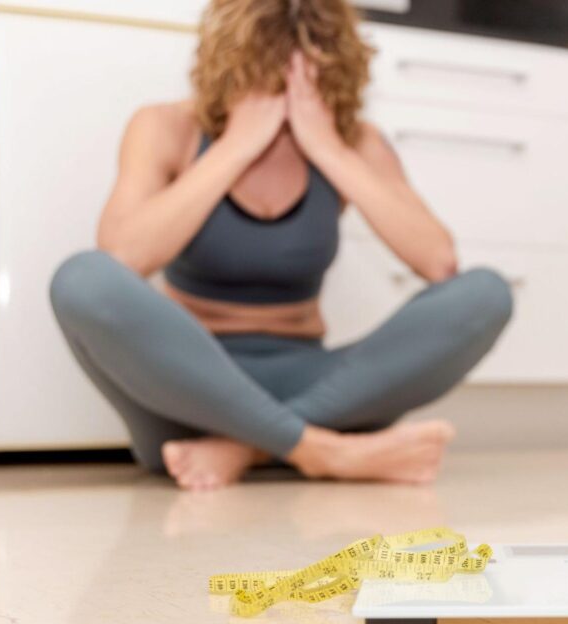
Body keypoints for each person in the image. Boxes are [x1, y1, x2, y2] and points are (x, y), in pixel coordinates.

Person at [48, 0, 513, 491]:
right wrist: (235, 147)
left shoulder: (354, 142)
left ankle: (249, 447)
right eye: (263, 72)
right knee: (81, 278)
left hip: (319, 386)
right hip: (189, 395)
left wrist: (328, 149)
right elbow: (122, 256)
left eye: (304, 75)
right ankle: (320, 449)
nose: (284, 90)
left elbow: (439, 262)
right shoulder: (167, 127)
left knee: (486, 294)